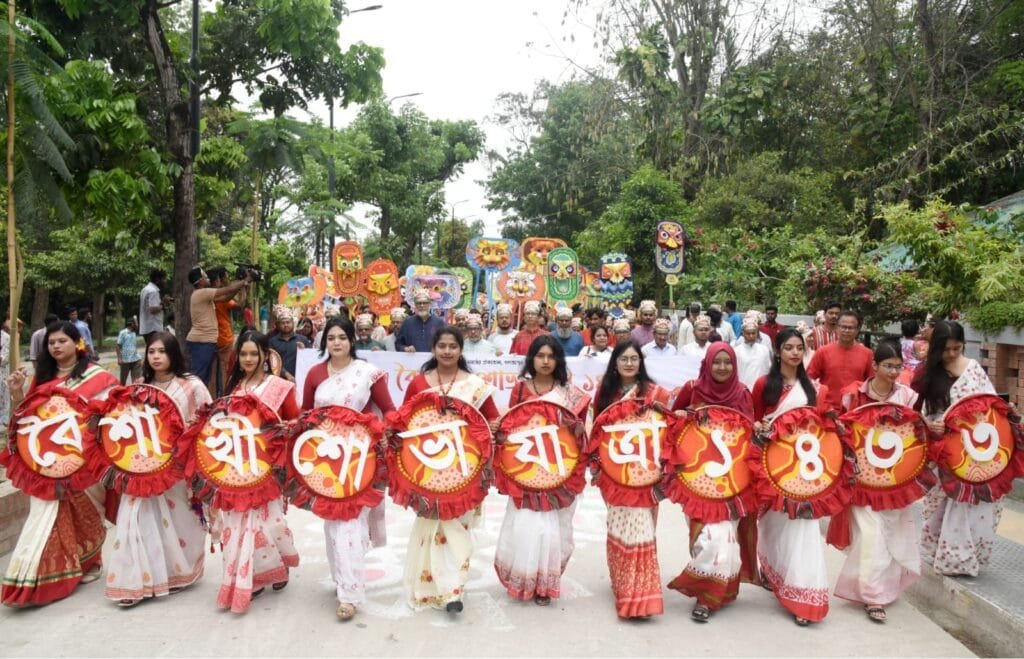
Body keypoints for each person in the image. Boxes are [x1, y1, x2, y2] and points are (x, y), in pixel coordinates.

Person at [2, 321, 118, 607]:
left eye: (62, 341)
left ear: (77, 344)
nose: (56, 346)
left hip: (86, 459)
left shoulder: (98, 378)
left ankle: (91, 561)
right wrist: (17, 392)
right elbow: (25, 418)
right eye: (51, 342)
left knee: (88, 513)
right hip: (48, 460)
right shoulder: (41, 379)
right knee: (46, 517)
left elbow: (113, 416)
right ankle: (40, 578)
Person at [104, 332, 211, 606]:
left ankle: (174, 573)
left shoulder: (191, 386)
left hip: (175, 469)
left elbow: (207, 425)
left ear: (173, 354)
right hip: (140, 468)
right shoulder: (139, 386)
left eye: (162, 351)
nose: (156, 356)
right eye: (151, 352)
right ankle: (133, 582)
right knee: (135, 520)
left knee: (178, 522)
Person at [301, 317, 395, 621]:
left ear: (352, 340)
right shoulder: (315, 374)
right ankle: (343, 578)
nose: (337, 343)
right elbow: (305, 414)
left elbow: (389, 409)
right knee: (333, 523)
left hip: (360, 458)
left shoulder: (368, 374)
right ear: (324, 342)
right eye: (331, 338)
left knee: (350, 524)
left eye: (342, 337)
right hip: (326, 459)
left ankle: (350, 593)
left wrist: (380, 432)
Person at [400, 327, 499, 613]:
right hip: (427, 467)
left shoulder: (475, 385)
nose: (446, 351)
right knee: (432, 526)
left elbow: (493, 418)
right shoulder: (419, 384)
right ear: (433, 349)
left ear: (460, 350)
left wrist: (492, 426)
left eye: (452, 346)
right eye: (441, 346)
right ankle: (431, 588)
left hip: (464, 469)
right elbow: (404, 421)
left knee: (458, 526)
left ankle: (453, 590)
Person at [495, 335, 591, 606]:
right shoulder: (520, 389)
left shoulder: (570, 393)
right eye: (540, 356)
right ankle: (523, 580)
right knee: (526, 523)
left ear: (558, 360)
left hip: (557, 468)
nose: (546, 361)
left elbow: (578, 435)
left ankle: (545, 585)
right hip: (526, 467)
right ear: (532, 359)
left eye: (551, 356)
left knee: (552, 528)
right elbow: (511, 425)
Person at [833, 339, 921, 623]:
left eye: (898, 366)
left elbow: (915, 433)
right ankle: (873, 597)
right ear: (874, 366)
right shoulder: (851, 396)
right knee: (871, 535)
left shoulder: (908, 397)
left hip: (896, 479)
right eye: (888, 366)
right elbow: (841, 431)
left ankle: (881, 588)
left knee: (890, 535)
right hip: (860, 479)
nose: (894, 372)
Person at [668, 342, 757, 622]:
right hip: (695, 478)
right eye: (716, 362)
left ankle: (709, 597)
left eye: (727, 362)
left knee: (724, 536)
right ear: (707, 363)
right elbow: (671, 423)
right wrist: (680, 416)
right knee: (704, 537)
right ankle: (709, 589)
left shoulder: (743, 393)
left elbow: (751, 435)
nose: (722, 367)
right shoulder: (692, 388)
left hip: (733, 479)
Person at [751, 328, 833, 626]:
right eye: (789, 347)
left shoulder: (814, 389)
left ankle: (804, 596)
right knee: (774, 526)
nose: (795, 353)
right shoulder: (763, 385)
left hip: (805, 472)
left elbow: (823, 430)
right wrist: (759, 427)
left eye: (800, 347)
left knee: (804, 528)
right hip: (773, 470)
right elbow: (754, 423)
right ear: (777, 352)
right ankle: (775, 571)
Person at [216, 330, 300, 614]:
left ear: (266, 355)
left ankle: (278, 566)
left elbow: (294, 422)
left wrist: (278, 435)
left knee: (269, 522)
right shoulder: (233, 387)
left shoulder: (279, 387)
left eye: (254, 353)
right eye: (244, 354)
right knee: (238, 522)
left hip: (268, 467)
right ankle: (248, 577)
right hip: (237, 468)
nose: (249, 359)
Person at [912, 321, 1001, 577]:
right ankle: (945, 550)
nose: (951, 354)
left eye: (957, 348)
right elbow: (915, 413)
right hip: (943, 449)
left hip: (976, 447)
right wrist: (932, 426)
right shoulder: (926, 374)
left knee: (970, 501)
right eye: (946, 349)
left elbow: (990, 406)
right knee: (946, 499)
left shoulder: (974, 371)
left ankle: (962, 556)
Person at [592, 341, 672, 619]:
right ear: (615, 362)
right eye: (623, 359)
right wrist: (597, 467)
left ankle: (638, 598)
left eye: (634, 359)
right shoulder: (606, 392)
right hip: (615, 473)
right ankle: (622, 582)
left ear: (641, 362)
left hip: (646, 474)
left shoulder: (656, 393)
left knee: (640, 530)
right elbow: (597, 431)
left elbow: (669, 429)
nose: (629, 363)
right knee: (618, 525)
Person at [185, 266, 249, 386]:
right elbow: (227, 290)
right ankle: (194, 402)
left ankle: (204, 401)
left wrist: (240, 286)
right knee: (200, 377)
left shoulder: (205, 295)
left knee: (206, 377)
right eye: (204, 276)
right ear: (199, 281)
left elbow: (226, 297)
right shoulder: (202, 293)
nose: (207, 277)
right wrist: (246, 280)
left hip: (207, 341)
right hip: (202, 341)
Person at [807, 310, 875, 410]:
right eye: (843, 327)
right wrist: (822, 405)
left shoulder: (867, 354)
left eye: (850, 328)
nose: (846, 330)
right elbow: (808, 379)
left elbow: (871, 384)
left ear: (857, 329)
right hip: (827, 411)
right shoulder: (823, 352)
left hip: (856, 411)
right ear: (837, 327)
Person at [208, 267, 244, 397]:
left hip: (210, 338)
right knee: (225, 370)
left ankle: (211, 398)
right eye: (226, 276)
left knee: (212, 371)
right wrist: (243, 286)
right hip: (224, 337)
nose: (228, 279)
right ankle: (224, 397)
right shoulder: (220, 295)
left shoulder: (205, 293)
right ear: (220, 279)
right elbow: (240, 304)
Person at [268, 304, 309, 378]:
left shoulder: (303, 340)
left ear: (293, 323)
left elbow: (310, 360)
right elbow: (272, 362)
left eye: (288, 322)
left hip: (299, 379)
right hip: (279, 380)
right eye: (283, 323)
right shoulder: (272, 342)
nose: (286, 325)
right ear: (278, 325)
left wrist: (304, 351)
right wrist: (286, 374)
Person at [734, 320, 772, 389]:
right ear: (743, 333)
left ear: (757, 333)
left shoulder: (764, 350)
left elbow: (768, 370)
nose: (751, 336)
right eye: (748, 333)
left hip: (760, 389)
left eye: (753, 333)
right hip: (742, 389)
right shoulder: (736, 351)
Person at [139, 268, 168, 345]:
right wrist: (164, 305)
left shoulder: (145, 289)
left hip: (147, 327)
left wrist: (162, 303)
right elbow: (152, 309)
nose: (165, 281)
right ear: (157, 279)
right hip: (153, 328)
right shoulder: (153, 291)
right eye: (164, 279)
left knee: (150, 351)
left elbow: (149, 307)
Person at [115, 317, 143, 385]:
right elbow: (118, 346)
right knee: (123, 381)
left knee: (137, 381)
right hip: (125, 360)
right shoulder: (123, 333)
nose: (137, 325)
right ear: (131, 324)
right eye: (136, 323)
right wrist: (119, 358)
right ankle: (121, 392)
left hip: (135, 359)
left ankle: (135, 392)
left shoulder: (134, 332)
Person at [898, 319, 921, 385]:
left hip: (903, 366)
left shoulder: (901, 342)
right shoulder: (915, 344)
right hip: (913, 368)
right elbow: (919, 357)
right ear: (916, 331)